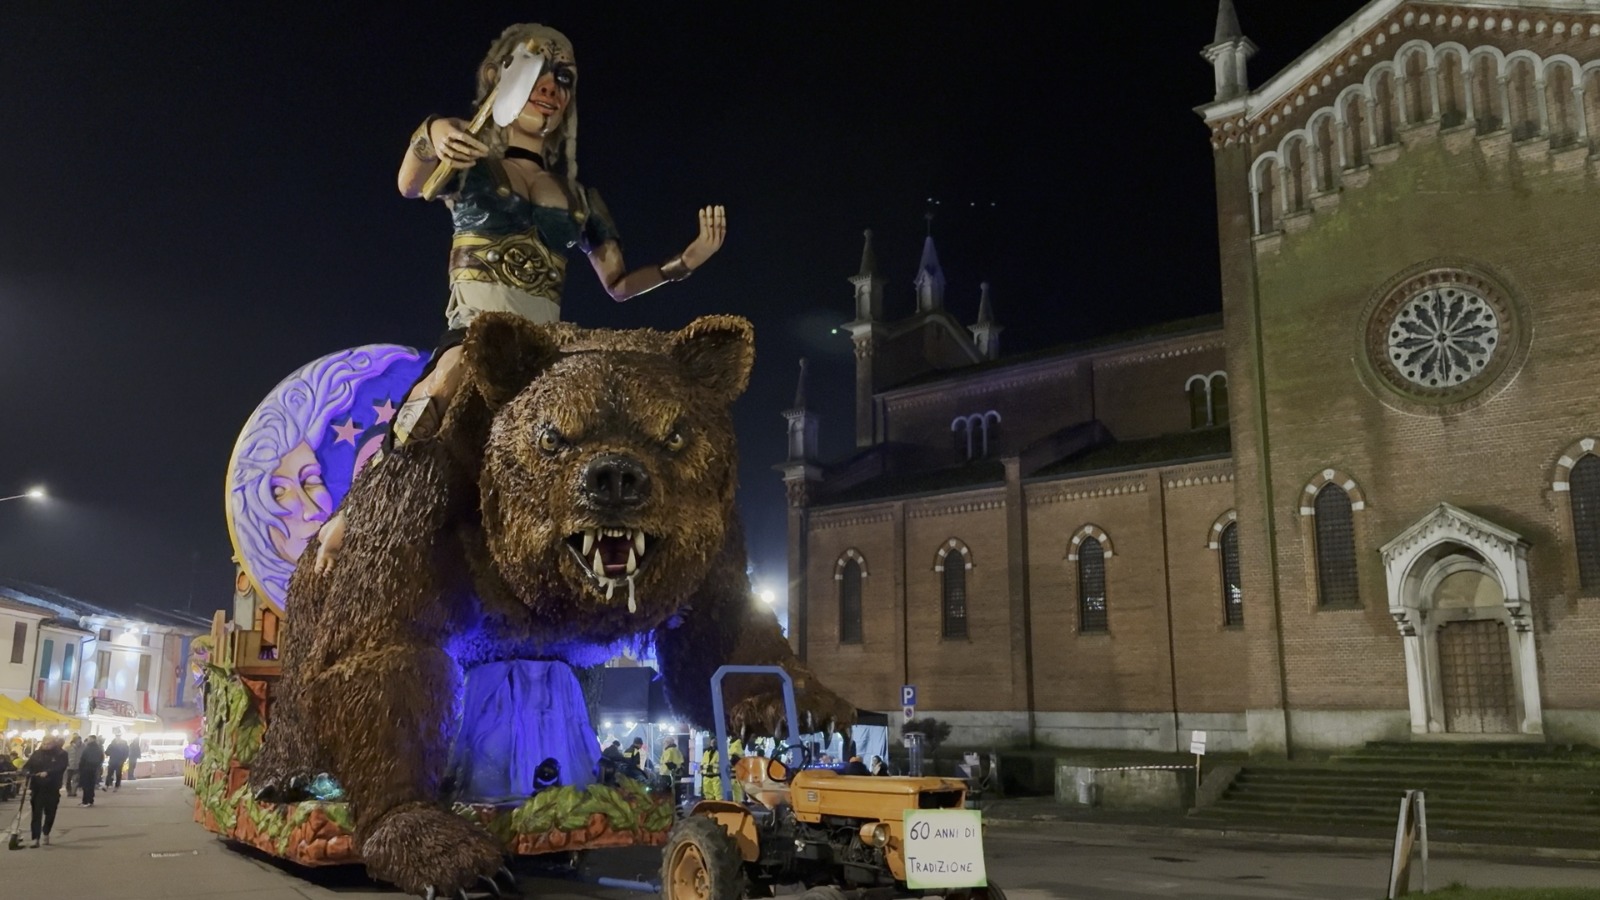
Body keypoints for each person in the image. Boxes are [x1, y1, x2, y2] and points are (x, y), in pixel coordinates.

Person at [313, 22, 726, 572]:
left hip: (546, 345)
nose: (550, 88)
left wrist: (685, 262)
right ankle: (354, 513)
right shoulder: (470, 164)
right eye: (537, 75)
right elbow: (409, 183)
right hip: (476, 331)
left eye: (563, 79)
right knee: (443, 386)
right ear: (499, 78)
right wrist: (432, 131)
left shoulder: (580, 199)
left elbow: (619, 284)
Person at [21, 737, 69, 847]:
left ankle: (46, 832)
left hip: (52, 787)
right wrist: (26, 772)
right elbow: (27, 766)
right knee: (36, 813)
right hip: (37, 787)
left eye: (48, 744)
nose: (46, 746)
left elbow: (61, 767)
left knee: (50, 812)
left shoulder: (61, 754)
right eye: (44, 744)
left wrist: (48, 772)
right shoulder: (37, 754)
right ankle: (35, 838)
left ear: (54, 744)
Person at [78, 736, 102, 806]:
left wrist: (80, 768)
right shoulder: (98, 748)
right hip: (94, 769)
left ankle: (86, 801)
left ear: (91, 740)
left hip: (86, 768)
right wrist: (98, 766)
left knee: (86, 785)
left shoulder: (87, 748)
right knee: (91, 785)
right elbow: (101, 758)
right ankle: (90, 800)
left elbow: (83, 759)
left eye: (88, 739)